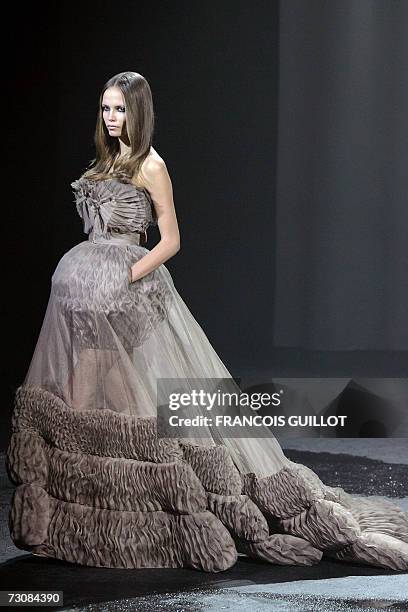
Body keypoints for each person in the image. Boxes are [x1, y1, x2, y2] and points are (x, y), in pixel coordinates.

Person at [19, 71, 407, 570]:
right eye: (105, 109)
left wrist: (127, 275)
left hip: (125, 292)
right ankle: (92, 517)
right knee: (94, 396)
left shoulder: (150, 166)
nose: (111, 118)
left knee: (133, 398)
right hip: (81, 296)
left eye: (119, 109)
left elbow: (171, 239)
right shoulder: (105, 161)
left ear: (138, 111)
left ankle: (147, 513)